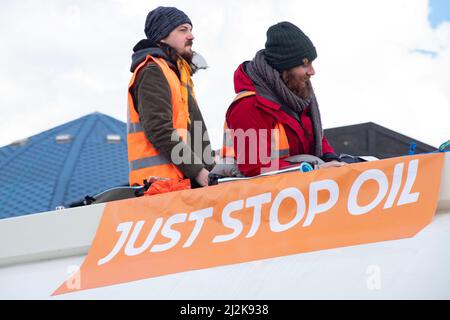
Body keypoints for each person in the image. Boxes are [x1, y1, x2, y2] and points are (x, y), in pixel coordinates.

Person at [221, 21, 345, 177]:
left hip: (296, 187)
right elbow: (255, 169)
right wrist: (314, 169)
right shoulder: (249, 106)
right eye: (305, 65)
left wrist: (330, 159)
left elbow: (316, 136)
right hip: (261, 195)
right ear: (284, 66)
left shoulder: (296, 91)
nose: (312, 71)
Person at [127, 6, 214, 187]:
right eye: (183, 30)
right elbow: (159, 129)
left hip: (177, 186)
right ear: (161, 36)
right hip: (159, 189)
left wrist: (212, 170)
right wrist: (198, 171)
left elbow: (195, 132)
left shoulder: (178, 74)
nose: (191, 36)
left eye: (190, 30)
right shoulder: (152, 71)